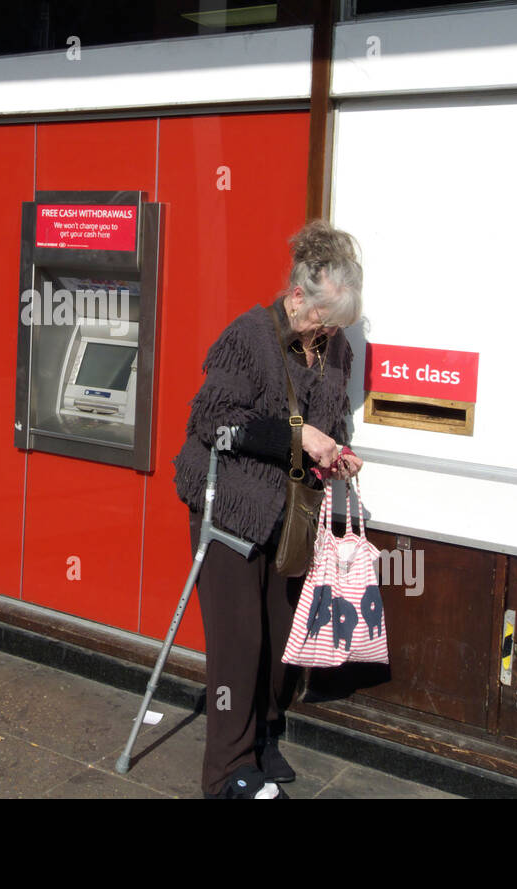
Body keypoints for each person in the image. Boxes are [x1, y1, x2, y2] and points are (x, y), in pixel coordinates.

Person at [172, 219, 364, 798]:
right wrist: (298, 438)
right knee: (240, 646)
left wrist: (338, 450)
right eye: (321, 317)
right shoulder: (248, 336)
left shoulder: (336, 349)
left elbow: (333, 419)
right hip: (231, 509)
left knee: (284, 644)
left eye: (336, 323)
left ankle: (264, 736)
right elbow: (214, 421)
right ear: (297, 294)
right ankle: (228, 773)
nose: (327, 331)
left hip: (293, 518)